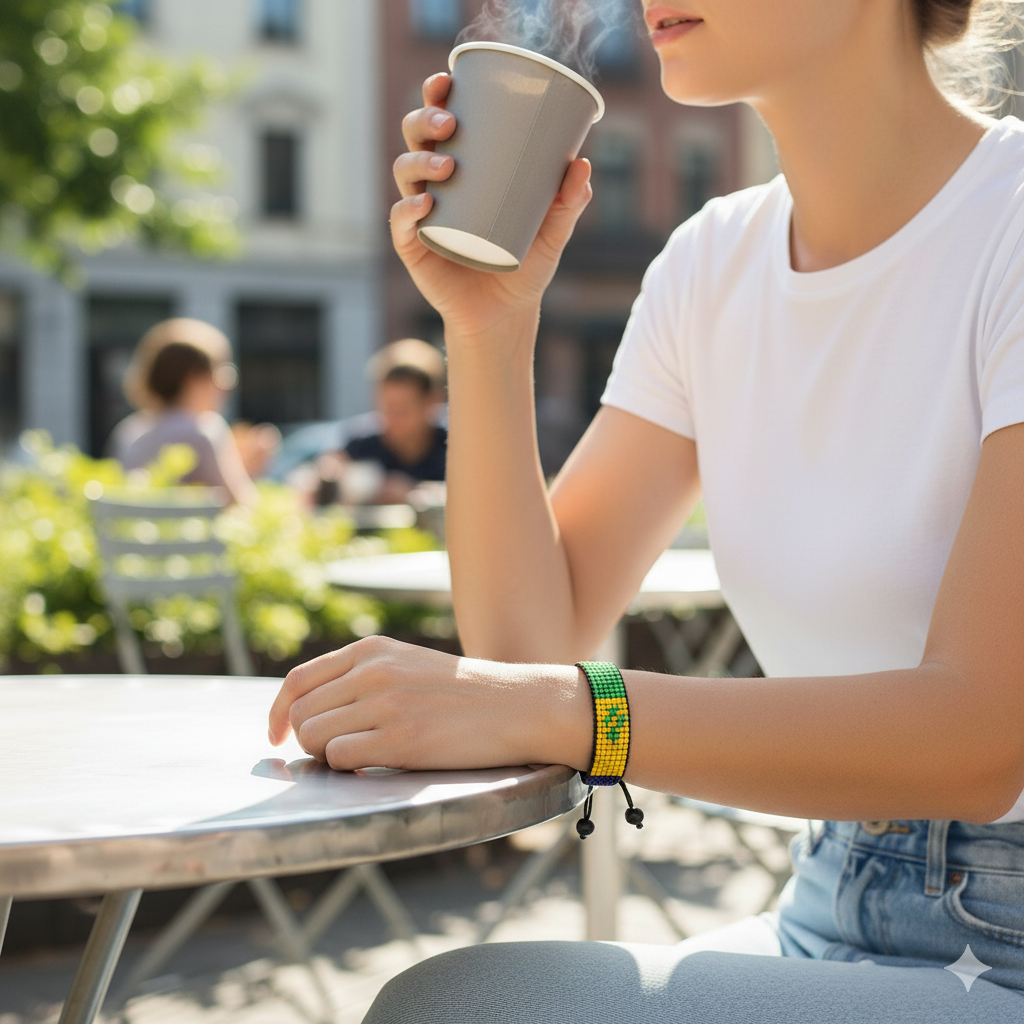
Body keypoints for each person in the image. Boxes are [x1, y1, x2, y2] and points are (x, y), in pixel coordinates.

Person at [269, 1, 1024, 1020]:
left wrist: (579, 712)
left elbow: (978, 739)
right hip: (827, 897)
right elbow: (530, 644)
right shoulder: (710, 262)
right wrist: (486, 330)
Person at [112, 318, 260, 506]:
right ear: (194, 379)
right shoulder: (207, 430)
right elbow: (243, 505)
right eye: (222, 374)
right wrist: (251, 467)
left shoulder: (128, 432)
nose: (226, 388)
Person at [327, 338, 447, 505]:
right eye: (386, 408)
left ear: (432, 401)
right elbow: (327, 475)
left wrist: (413, 493)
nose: (392, 418)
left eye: (402, 409)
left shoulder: (454, 445)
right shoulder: (362, 443)